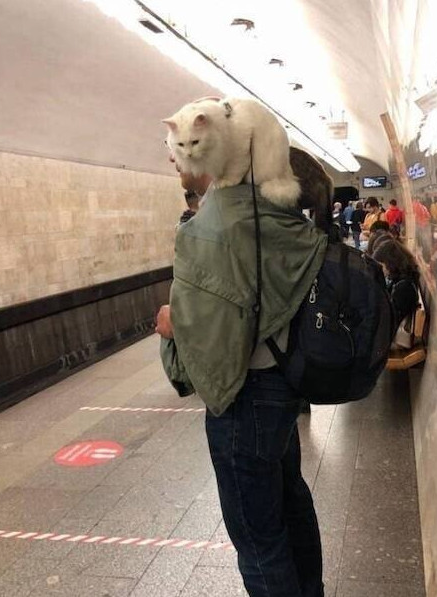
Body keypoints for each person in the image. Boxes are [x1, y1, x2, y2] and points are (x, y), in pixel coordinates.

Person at [156, 146, 329, 597]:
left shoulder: (219, 226)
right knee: (291, 505)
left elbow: (214, 338)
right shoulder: (272, 217)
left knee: (258, 542)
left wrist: (175, 324)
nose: (173, 159)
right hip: (281, 382)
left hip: (244, 396)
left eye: (179, 148)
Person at [372, 239, 420, 329]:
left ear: (390, 263)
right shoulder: (402, 281)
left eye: (381, 265)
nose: (379, 269)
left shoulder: (403, 288)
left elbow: (389, 320)